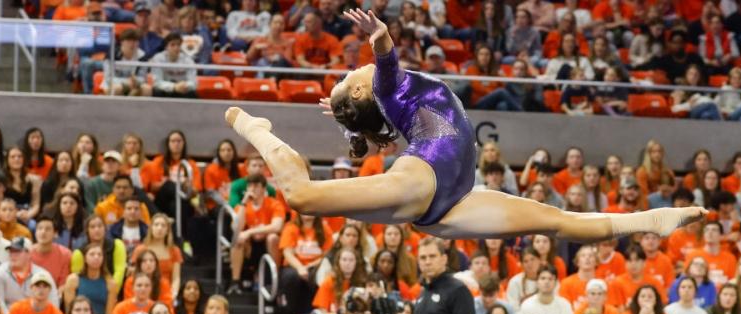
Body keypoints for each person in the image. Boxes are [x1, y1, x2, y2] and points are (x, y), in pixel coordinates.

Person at [225, 9, 705, 245]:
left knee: (556, 221)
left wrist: (359, 127)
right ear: (358, 91)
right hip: (426, 180)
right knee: (304, 198)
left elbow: (376, 126)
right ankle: (257, 128)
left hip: (450, 203)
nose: (350, 72)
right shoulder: (391, 89)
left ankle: (651, 220)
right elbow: (387, 64)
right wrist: (381, 39)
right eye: (347, 78)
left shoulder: (393, 105)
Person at [227, 173, 286, 294]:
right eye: (250, 186)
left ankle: (272, 279)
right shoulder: (242, 206)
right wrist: (243, 203)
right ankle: (235, 282)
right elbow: (235, 227)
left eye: (256, 185)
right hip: (250, 247)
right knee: (238, 238)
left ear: (264, 188)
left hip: (268, 245)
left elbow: (277, 226)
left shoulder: (274, 204)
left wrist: (250, 231)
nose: (252, 188)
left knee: (273, 237)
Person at [132, 213, 183, 299]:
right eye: (156, 225)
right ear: (151, 228)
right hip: (144, 292)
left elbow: (176, 278)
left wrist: (174, 293)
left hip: (166, 292)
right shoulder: (140, 249)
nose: (159, 228)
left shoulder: (174, 251)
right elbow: (134, 274)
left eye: (163, 226)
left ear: (167, 230)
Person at [63, 243, 118, 314]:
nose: (96, 257)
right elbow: (69, 311)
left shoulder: (110, 283)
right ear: (85, 258)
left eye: (99, 255)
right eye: (92, 254)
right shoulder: (73, 280)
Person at [30, 216, 71, 290]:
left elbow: (62, 285)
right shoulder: (26, 253)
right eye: (40, 228)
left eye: (48, 229)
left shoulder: (65, 254)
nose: (43, 232)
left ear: (55, 234)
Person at [151, 32, 198, 98]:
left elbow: (194, 83)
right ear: (166, 47)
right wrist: (174, 87)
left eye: (178, 45)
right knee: (156, 91)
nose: (176, 48)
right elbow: (157, 83)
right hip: (165, 91)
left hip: (183, 90)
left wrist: (185, 85)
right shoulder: (158, 59)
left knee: (192, 93)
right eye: (172, 45)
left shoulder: (188, 60)